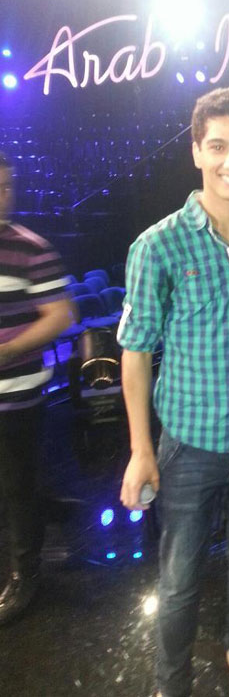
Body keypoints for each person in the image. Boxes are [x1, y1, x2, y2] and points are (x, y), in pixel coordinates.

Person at [118, 87, 229, 697]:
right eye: (217, 146)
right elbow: (135, 353)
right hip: (190, 444)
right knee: (179, 578)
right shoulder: (159, 245)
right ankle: (171, 683)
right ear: (196, 151)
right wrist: (142, 450)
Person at [0, 152, 72, 624]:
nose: (3, 197)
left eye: (7, 187)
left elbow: (62, 316)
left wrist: (6, 350)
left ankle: (26, 575)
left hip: (17, 392)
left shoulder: (31, 248)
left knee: (16, 486)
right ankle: (48, 513)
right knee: (13, 484)